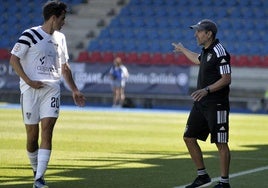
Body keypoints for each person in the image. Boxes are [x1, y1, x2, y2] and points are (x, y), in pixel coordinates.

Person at [9, 1, 86, 188]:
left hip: (51, 89)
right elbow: (13, 59)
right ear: (53, 18)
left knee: (47, 131)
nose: (64, 22)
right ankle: (36, 170)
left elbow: (64, 67)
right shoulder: (30, 34)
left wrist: (75, 89)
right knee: (31, 136)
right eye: (62, 18)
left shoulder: (61, 38)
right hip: (30, 90)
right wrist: (28, 81)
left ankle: (39, 179)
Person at [172, 19, 232, 188]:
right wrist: (182, 49)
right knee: (189, 137)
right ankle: (202, 176)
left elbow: (226, 79)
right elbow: (198, 59)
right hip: (201, 103)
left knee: (221, 143)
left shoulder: (220, 52)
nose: (195, 34)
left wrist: (206, 90)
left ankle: (224, 182)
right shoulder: (206, 51)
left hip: (216, 104)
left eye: (198, 31)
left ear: (208, 34)